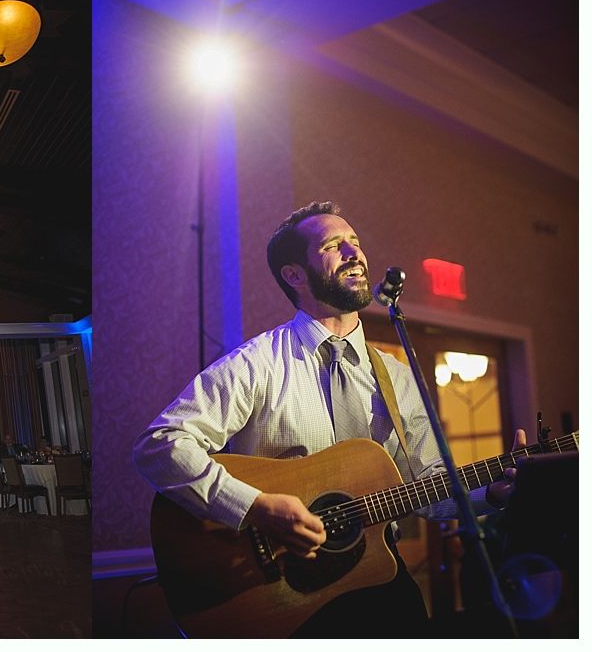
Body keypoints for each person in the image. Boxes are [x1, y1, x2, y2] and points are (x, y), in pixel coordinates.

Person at [133, 200, 523, 638]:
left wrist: (491, 492)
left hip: (379, 581)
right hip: (284, 595)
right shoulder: (258, 363)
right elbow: (160, 445)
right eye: (334, 245)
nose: (355, 252)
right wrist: (255, 507)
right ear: (294, 274)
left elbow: (426, 484)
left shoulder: (398, 377)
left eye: (355, 242)